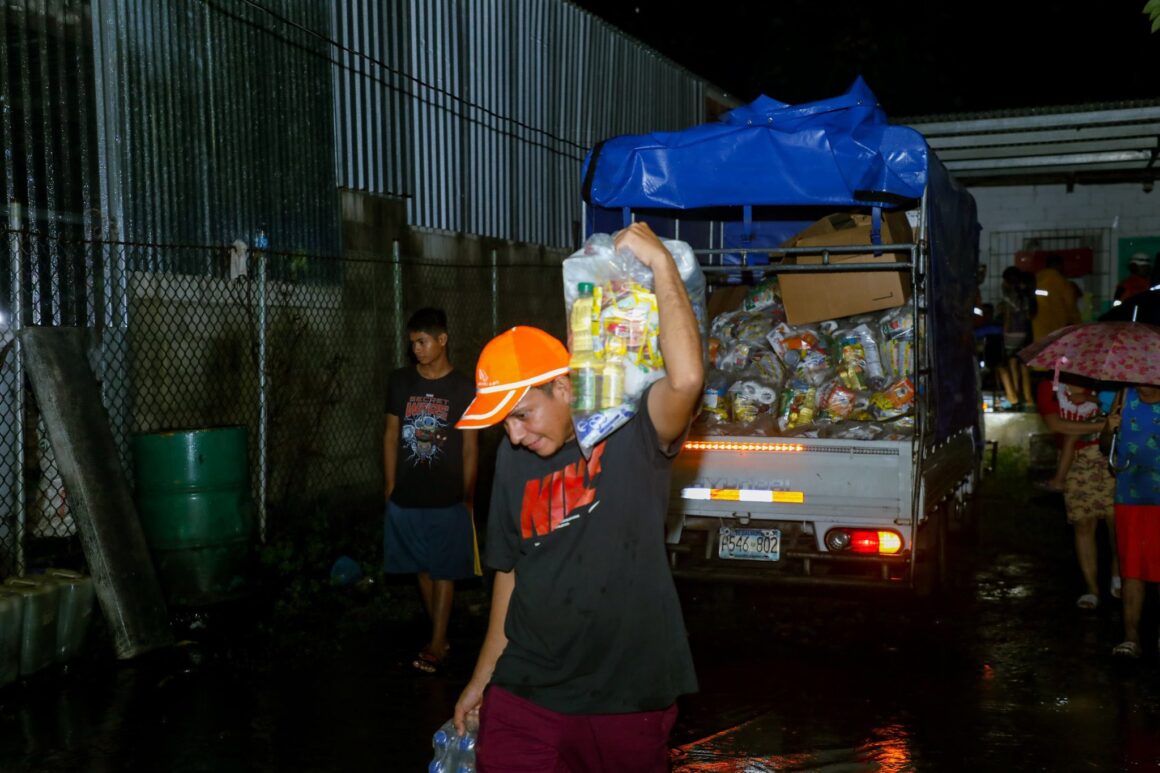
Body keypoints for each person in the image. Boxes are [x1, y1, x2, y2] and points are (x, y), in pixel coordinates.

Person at [452, 222, 703, 771]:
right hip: (528, 692)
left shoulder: (632, 433)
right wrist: (482, 679)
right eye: (503, 424)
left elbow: (685, 382)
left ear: (563, 388)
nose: (514, 436)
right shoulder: (514, 461)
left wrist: (661, 264)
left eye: (521, 415)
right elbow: (510, 574)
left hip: (627, 696)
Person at [383, 307, 479, 674]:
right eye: (412, 344)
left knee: (445, 569)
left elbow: (471, 446)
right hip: (407, 493)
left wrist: (468, 494)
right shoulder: (400, 382)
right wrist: (390, 486)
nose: (417, 350)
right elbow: (391, 435)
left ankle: (437, 642)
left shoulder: (464, 387)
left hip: (447, 493)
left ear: (443, 340)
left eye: (423, 342)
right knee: (421, 567)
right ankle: (439, 634)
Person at [1035, 377, 1119, 609]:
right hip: (1074, 463)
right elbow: (1057, 425)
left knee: (1116, 524)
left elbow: (1118, 416)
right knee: (1083, 524)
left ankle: (1118, 577)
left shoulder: (1104, 385)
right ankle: (1092, 589)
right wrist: (1099, 425)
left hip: (1107, 458)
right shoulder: (1048, 388)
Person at [1106, 384, 1160, 658]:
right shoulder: (1125, 396)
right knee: (1132, 570)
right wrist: (1109, 428)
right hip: (1129, 495)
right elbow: (1109, 448)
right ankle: (1131, 638)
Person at [996, 267, 1035, 410]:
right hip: (1024, 332)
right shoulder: (1025, 295)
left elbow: (1007, 315)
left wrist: (1004, 332)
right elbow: (1028, 315)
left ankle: (1015, 396)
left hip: (1011, 332)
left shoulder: (1008, 294)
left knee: (1011, 363)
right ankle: (1028, 398)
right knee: (1023, 365)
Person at [1031, 254, 1080, 344]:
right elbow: (1071, 307)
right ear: (1059, 265)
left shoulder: (1036, 279)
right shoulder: (1062, 282)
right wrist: (1078, 324)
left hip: (1037, 329)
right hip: (1056, 329)